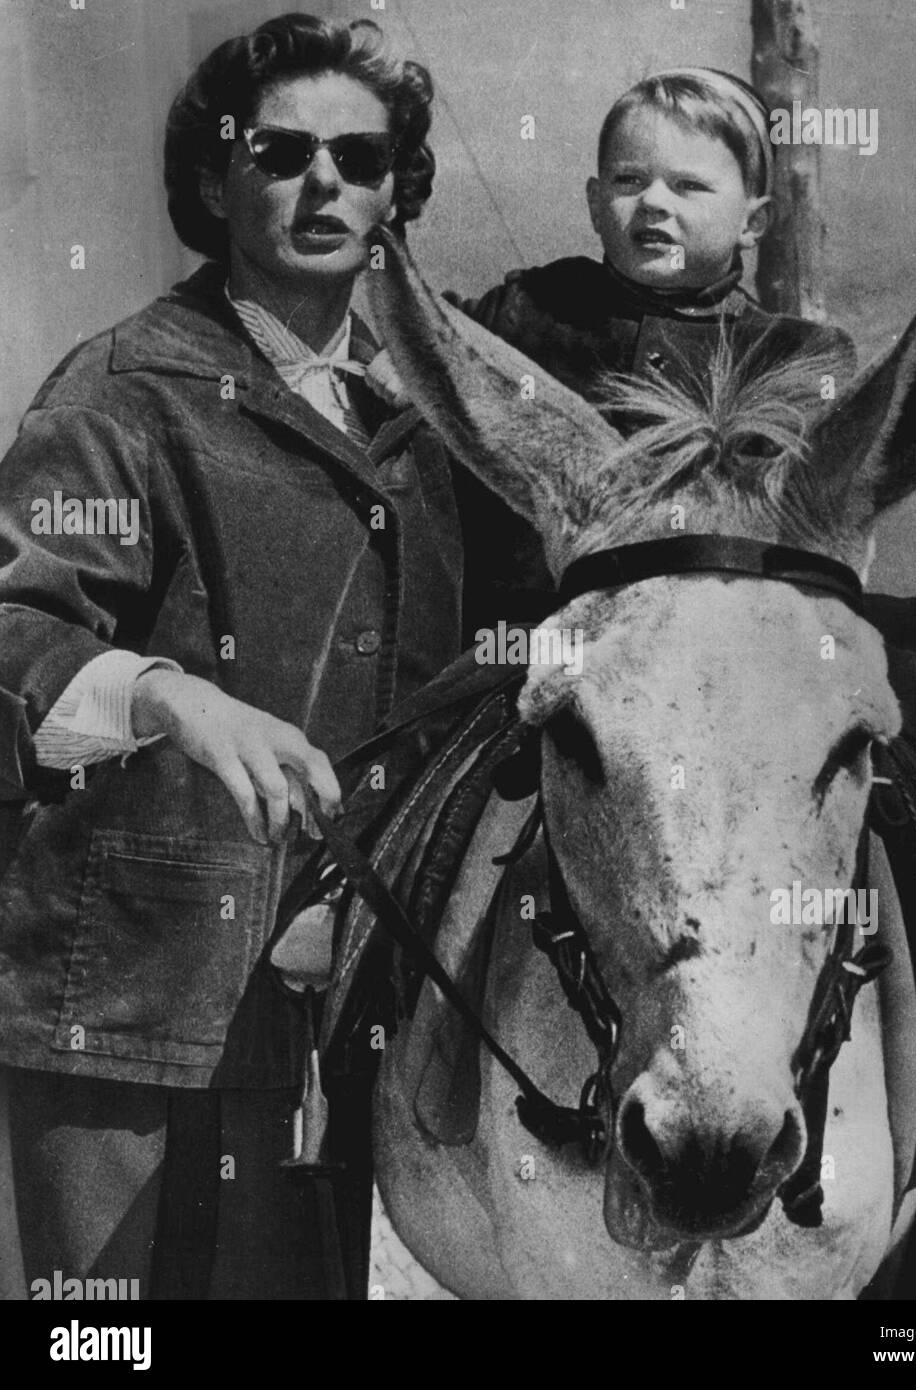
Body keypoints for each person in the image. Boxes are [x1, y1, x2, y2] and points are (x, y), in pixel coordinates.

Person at [0, 13, 462, 1300]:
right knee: (102, 1339)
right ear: (216, 180)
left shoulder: (432, 427)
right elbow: (9, 626)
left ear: (391, 193)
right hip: (132, 997)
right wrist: (172, 694)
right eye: (281, 151)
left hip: (348, 994)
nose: (325, 184)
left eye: (359, 158)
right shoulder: (124, 389)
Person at [409, 67, 859, 631]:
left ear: (753, 220)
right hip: (515, 646)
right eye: (628, 181)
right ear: (596, 205)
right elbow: (432, 339)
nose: (653, 202)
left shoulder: (791, 353)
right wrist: (395, 362)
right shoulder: (530, 307)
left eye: (688, 185)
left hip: (702, 642)